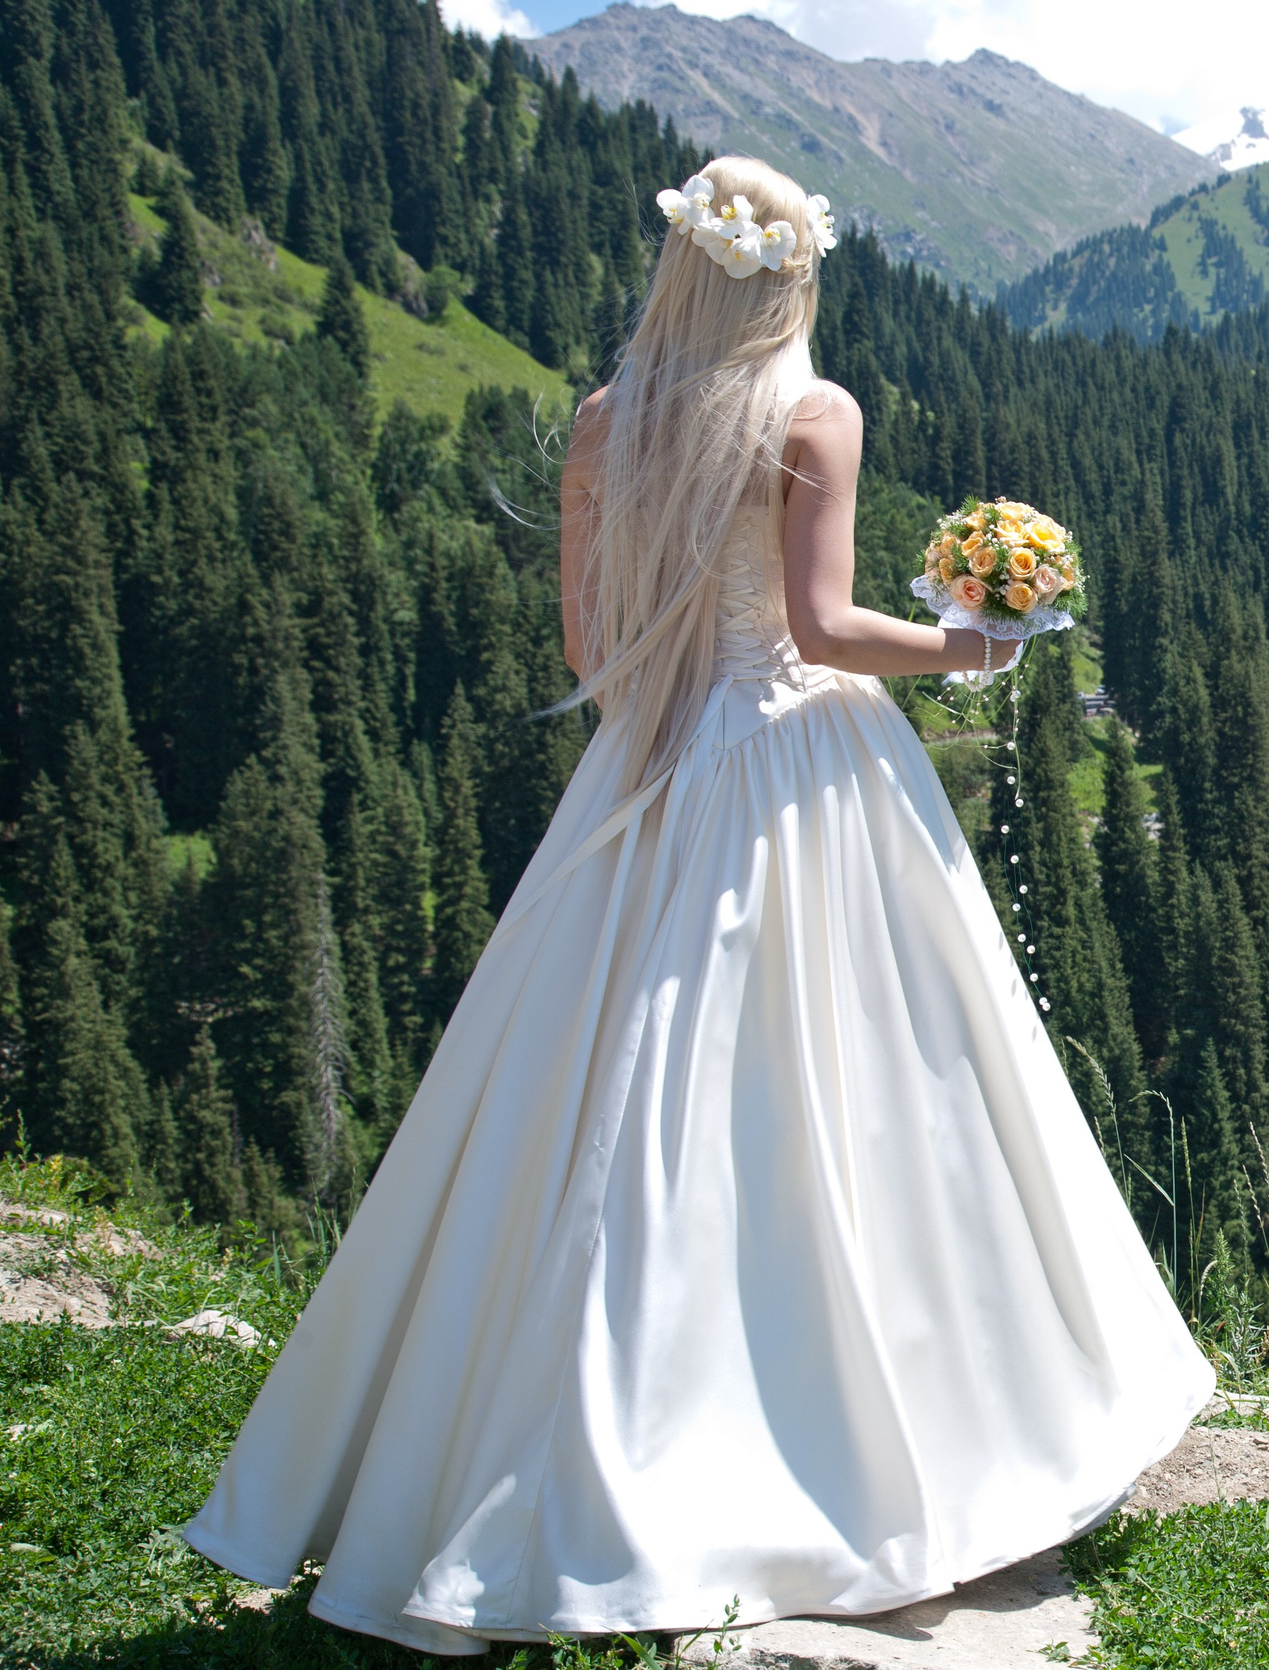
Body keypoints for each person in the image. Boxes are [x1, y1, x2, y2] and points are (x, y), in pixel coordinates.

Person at [184, 155, 1212, 1655]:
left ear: (683, 265)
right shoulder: (812, 413)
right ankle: (891, 1444)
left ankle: (503, 1471)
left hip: (648, 769)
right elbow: (818, 626)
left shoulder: (606, 422)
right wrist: (973, 649)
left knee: (597, 1088)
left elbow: (595, 642)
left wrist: (669, 727)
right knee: (861, 1095)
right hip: (798, 766)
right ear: (788, 275)